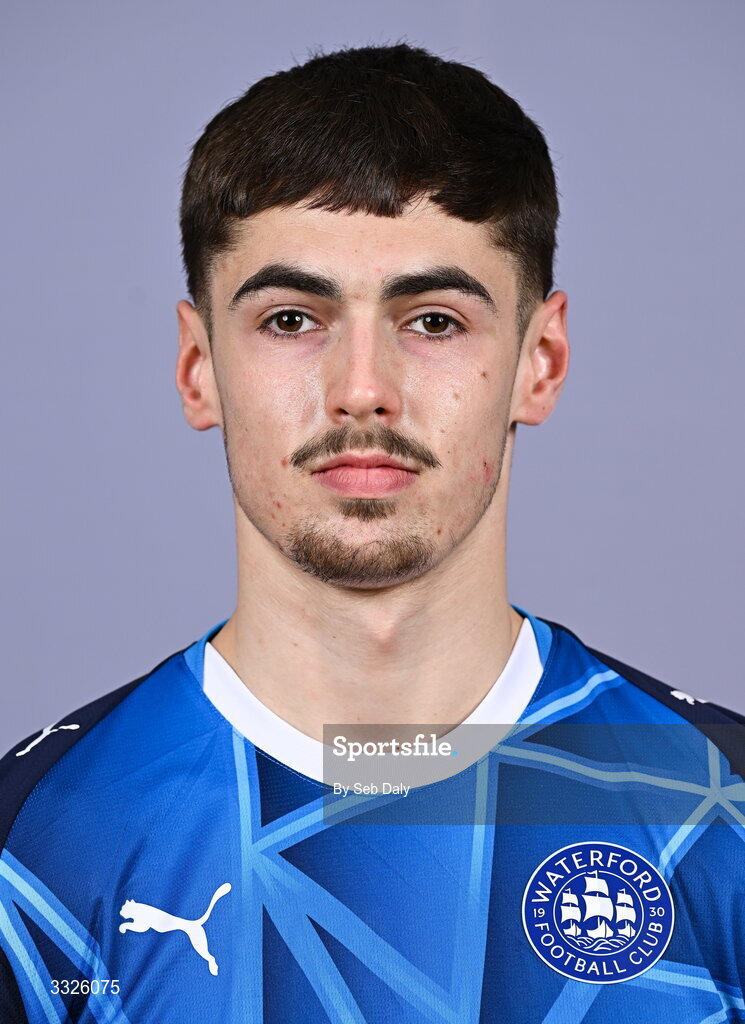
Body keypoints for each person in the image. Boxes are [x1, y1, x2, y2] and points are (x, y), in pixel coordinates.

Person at [1, 42, 743, 1024]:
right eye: (291, 319)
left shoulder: (717, 809)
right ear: (196, 367)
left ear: (541, 359)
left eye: (433, 321)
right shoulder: (37, 846)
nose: (363, 390)